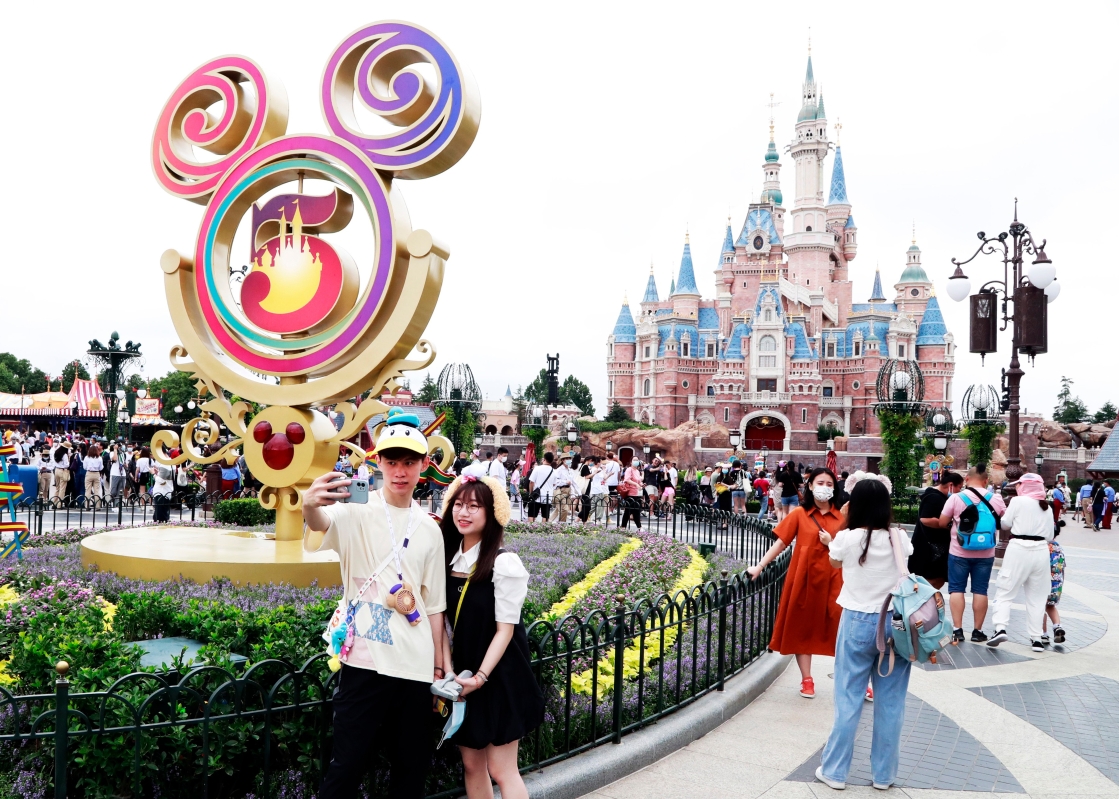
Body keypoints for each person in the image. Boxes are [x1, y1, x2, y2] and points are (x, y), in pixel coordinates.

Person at [301, 409, 447, 799]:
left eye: (410, 462)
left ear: (424, 465)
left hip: (415, 665)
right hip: (365, 661)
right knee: (346, 766)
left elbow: (434, 607)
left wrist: (438, 670)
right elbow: (321, 524)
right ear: (378, 461)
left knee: (410, 772)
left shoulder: (430, 529)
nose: (400, 471)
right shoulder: (356, 510)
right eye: (392, 461)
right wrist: (308, 505)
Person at [439, 475, 545, 798]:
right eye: (458, 504)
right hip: (463, 674)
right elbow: (443, 625)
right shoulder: (447, 560)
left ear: (492, 513)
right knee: (472, 765)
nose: (463, 512)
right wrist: (449, 672)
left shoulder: (504, 563)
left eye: (474, 506)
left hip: (499, 674)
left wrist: (481, 677)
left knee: (501, 769)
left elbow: (506, 631)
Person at [816, 473, 913, 792]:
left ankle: (835, 771)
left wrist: (844, 522)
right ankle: (883, 776)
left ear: (854, 505)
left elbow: (834, 563)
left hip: (857, 619)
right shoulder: (899, 538)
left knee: (848, 697)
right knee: (891, 702)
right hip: (895, 623)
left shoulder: (847, 538)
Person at [747, 467, 844, 699]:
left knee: (842, 630)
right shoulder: (800, 514)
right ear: (810, 486)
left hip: (835, 580)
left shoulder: (842, 518)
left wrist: (831, 543)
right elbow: (781, 543)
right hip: (804, 578)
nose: (824, 488)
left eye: (829, 484)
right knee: (802, 627)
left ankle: (854, 679)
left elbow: (851, 549)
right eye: (820, 483)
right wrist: (760, 566)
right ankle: (806, 679)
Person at [987, 473, 1056, 652]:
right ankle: (1037, 638)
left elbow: (1005, 524)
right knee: (1037, 597)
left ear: (1025, 486)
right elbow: (1050, 535)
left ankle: (1000, 628)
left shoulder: (1017, 501)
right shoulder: (1046, 506)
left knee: (1005, 590)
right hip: (1041, 551)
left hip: (1018, 548)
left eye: (1019, 485)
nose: (1017, 487)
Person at [937, 464, 1005, 643]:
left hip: (959, 552)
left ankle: (958, 630)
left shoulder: (956, 498)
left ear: (966, 479)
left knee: (956, 589)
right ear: (986, 481)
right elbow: (1004, 522)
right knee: (980, 590)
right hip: (986, 554)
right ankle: (977, 631)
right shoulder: (996, 498)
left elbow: (942, 522)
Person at [907, 472, 964, 590]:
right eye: (959, 487)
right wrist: (948, 525)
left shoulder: (938, 496)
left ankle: (926, 600)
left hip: (933, 546)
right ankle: (925, 600)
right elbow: (925, 519)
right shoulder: (934, 497)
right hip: (930, 548)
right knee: (932, 580)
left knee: (936, 579)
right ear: (951, 485)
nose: (960, 491)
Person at [1043, 525, 1066, 645]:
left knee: (1040, 606)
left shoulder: (1042, 546)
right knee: (1051, 606)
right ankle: (1057, 627)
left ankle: (1043, 634)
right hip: (1057, 583)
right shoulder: (1059, 547)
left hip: (1044, 582)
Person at [527, 452, 559, 524]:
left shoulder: (537, 468)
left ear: (544, 459)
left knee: (532, 514)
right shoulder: (554, 471)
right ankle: (543, 528)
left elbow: (531, 482)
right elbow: (554, 484)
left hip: (536, 496)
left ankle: (531, 528)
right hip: (547, 496)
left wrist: (531, 493)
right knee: (545, 516)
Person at [618, 458, 645, 530]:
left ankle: (638, 527)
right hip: (630, 493)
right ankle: (625, 526)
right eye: (634, 460)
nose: (636, 461)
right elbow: (627, 479)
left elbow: (639, 481)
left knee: (636, 510)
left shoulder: (637, 471)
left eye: (637, 460)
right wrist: (636, 484)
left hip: (637, 493)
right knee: (628, 511)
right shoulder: (629, 469)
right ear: (631, 462)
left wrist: (641, 484)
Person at [552, 453, 577, 522]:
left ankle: (549, 522)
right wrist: (565, 482)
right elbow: (555, 481)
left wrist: (575, 493)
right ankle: (562, 523)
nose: (569, 460)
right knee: (564, 509)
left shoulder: (570, 470)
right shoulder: (559, 470)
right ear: (563, 460)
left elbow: (573, 483)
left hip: (568, 490)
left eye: (569, 459)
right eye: (567, 459)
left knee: (559, 509)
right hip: (561, 490)